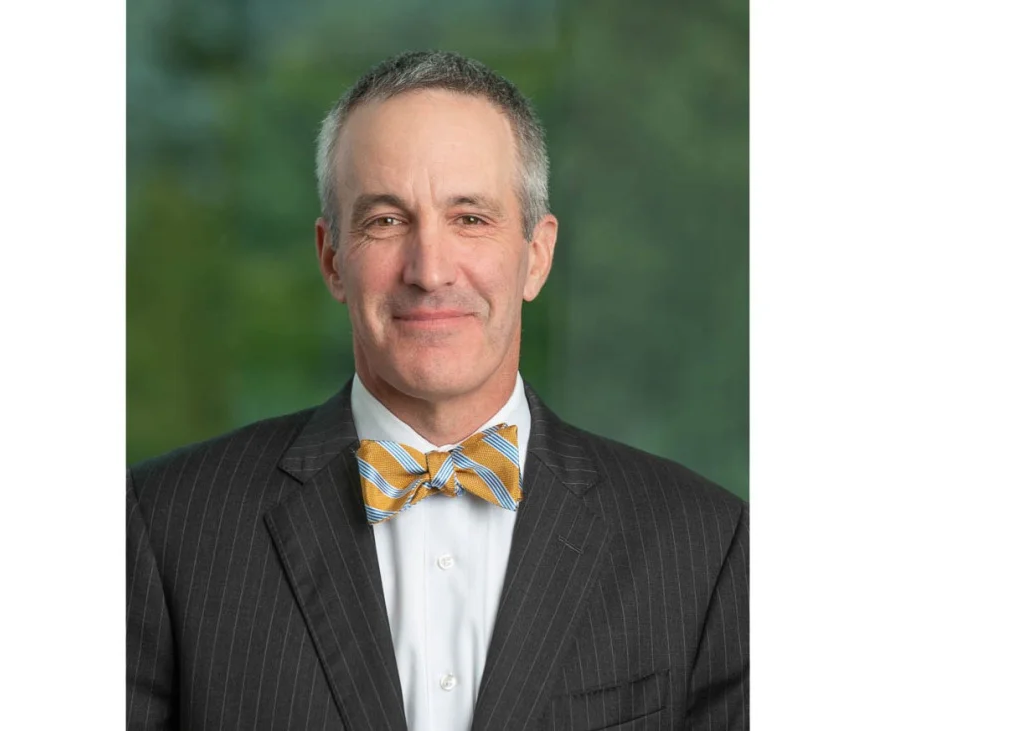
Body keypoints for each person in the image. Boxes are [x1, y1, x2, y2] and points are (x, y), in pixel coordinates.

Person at [127, 50, 748, 731]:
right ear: (333, 259)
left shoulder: (705, 545)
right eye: (386, 220)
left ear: (535, 255)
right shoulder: (162, 529)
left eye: (471, 218)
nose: (429, 270)